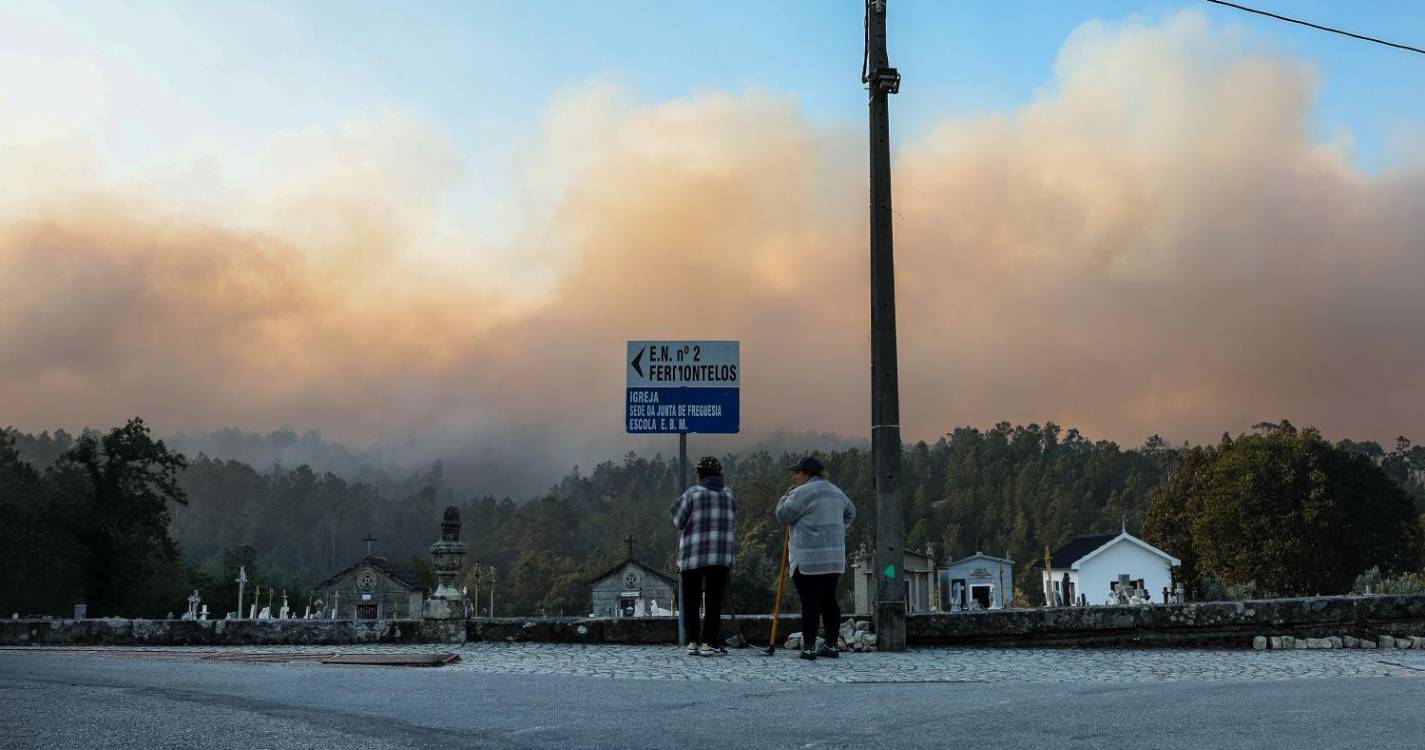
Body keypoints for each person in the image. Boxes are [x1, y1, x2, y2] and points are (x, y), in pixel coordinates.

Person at [775, 456, 856, 661]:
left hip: (808, 558)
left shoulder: (801, 493)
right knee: (829, 600)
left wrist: (785, 496)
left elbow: (783, 516)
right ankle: (831, 645)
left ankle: (809, 647)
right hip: (834, 557)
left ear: (806, 473)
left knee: (810, 602)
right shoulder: (836, 491)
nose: (795, 477)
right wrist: (836, 529)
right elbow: (851, 513)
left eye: (797, 473)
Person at [669, 455, 736, 657]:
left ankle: (692, 642)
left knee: (691, 599)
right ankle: (709, 642)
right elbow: (732, 519)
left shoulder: (693, 493)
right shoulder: (728, 494)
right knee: (714, 600)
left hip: (693, 555)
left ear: (700, 474)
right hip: (721, 555)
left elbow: (678, 521)